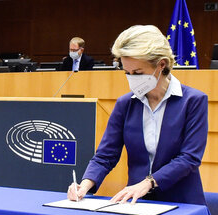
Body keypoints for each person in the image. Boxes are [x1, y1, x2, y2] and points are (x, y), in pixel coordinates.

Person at [68, 25, 209, 205]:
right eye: (127, 73)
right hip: (137, 202)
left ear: (161, 64)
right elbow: (106, 155)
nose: (132, 78)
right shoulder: (125, 104)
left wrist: (147, 183)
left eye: (138, 73)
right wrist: (84, 185)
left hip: (182, 202)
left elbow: (189, 158)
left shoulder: (193, 101)